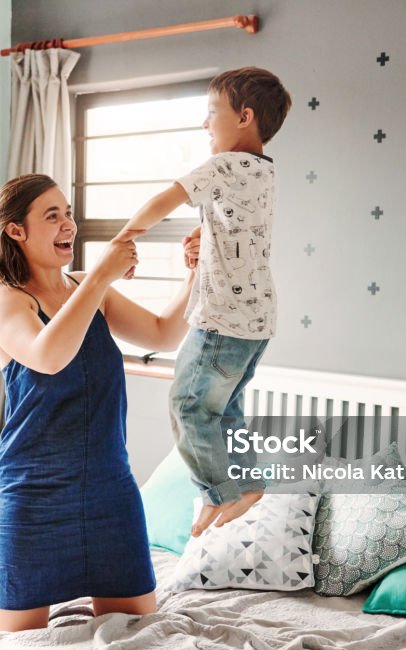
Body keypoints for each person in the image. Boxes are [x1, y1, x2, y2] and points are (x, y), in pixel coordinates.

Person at [0, 173, 199, 633]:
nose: (69, 225)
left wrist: (196, 272)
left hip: (110, 490)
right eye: (52, 215)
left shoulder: (86, 288)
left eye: (69, 213)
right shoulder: (7, 302)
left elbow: (163, 332)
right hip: (33, 493)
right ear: (17, 231)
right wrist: (100, 276)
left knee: (139, 637)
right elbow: (48, 356)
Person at [112, 67, 292, 538]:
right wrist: (204, 239)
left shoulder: (222, 166)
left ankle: (220, 493)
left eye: (212, 113)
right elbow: (237, 229)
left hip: (221, 320)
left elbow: (163, 200)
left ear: (244, 117)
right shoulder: (265, 173)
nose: (205, 124)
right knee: (226, 409)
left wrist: (125, 237)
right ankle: (249, 485)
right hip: (257, 321)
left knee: (189, 406)